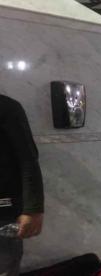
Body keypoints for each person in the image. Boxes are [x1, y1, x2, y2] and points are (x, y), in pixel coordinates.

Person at [0, 95, 44, 276]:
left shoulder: (6, 107)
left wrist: (33, 209)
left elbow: (28, 160)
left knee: (5, 268)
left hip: (3, 210)